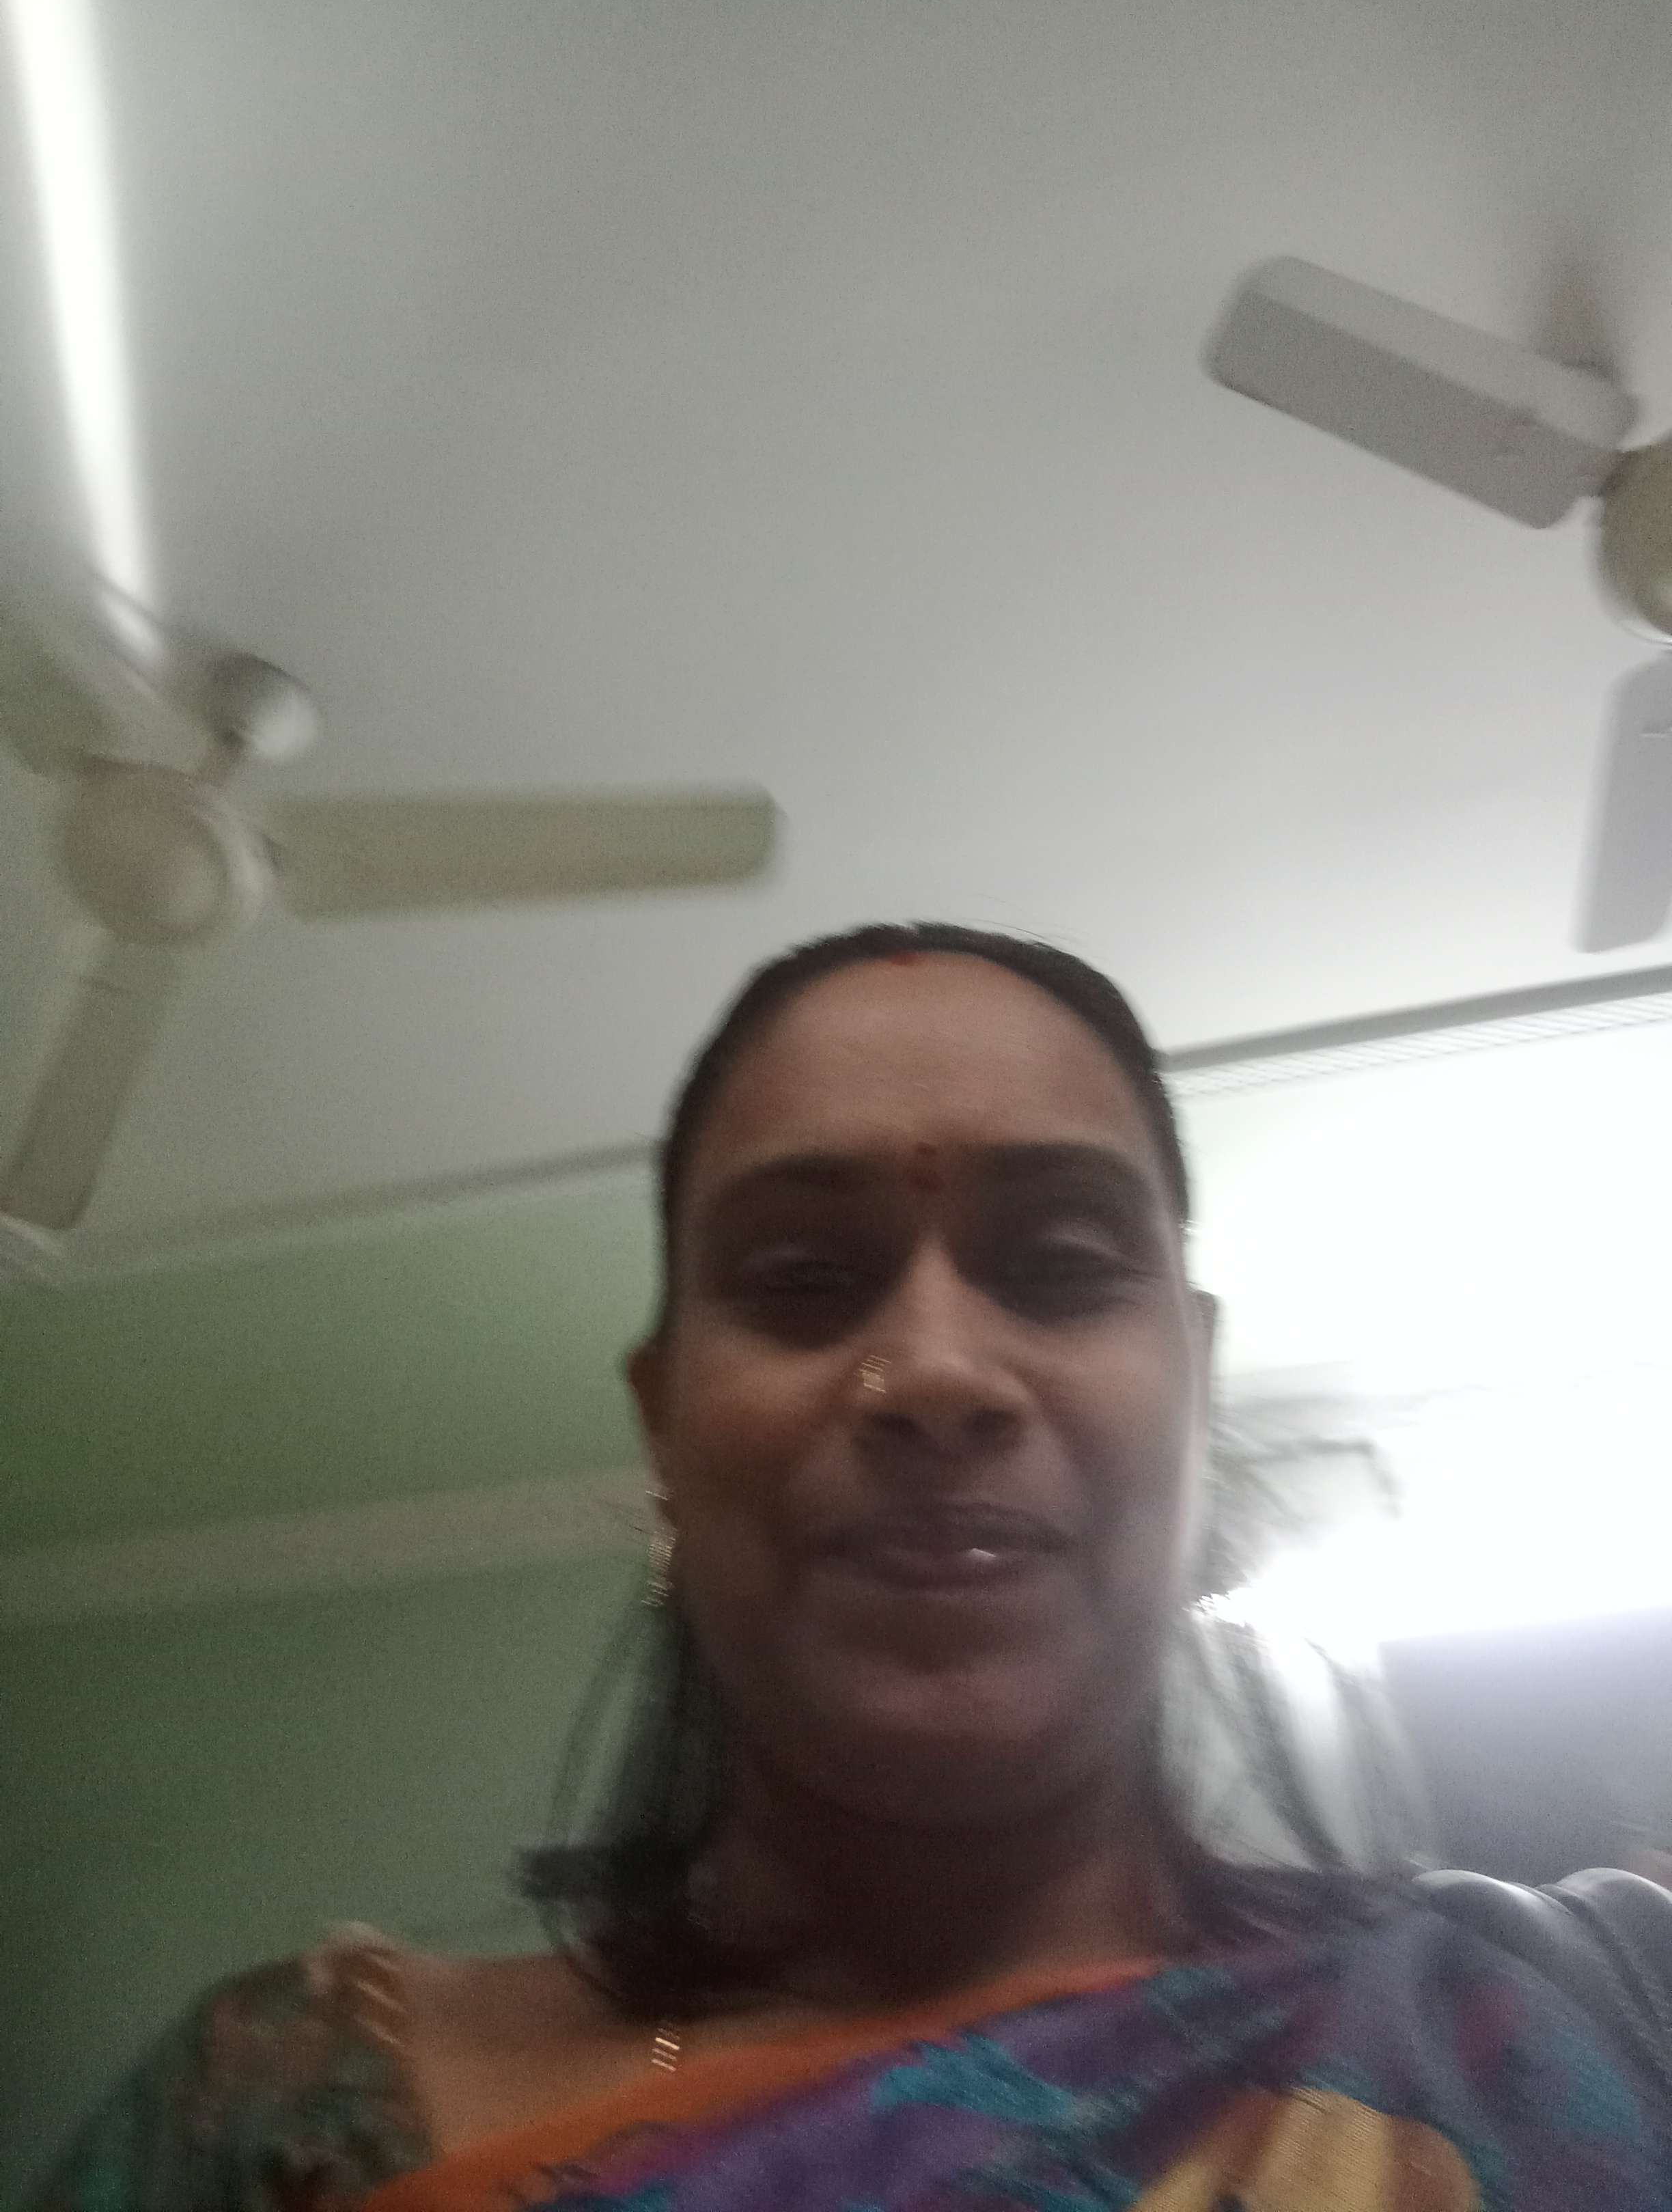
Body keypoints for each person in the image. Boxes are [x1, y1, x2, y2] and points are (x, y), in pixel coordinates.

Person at [30, 924, 1672, 2211]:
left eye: (1061, 1263)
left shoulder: (1586, 2022)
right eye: (806, 1279)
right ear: (664, 1426)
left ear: (1193, 1382)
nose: (937, 1370)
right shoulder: (287, 2107)